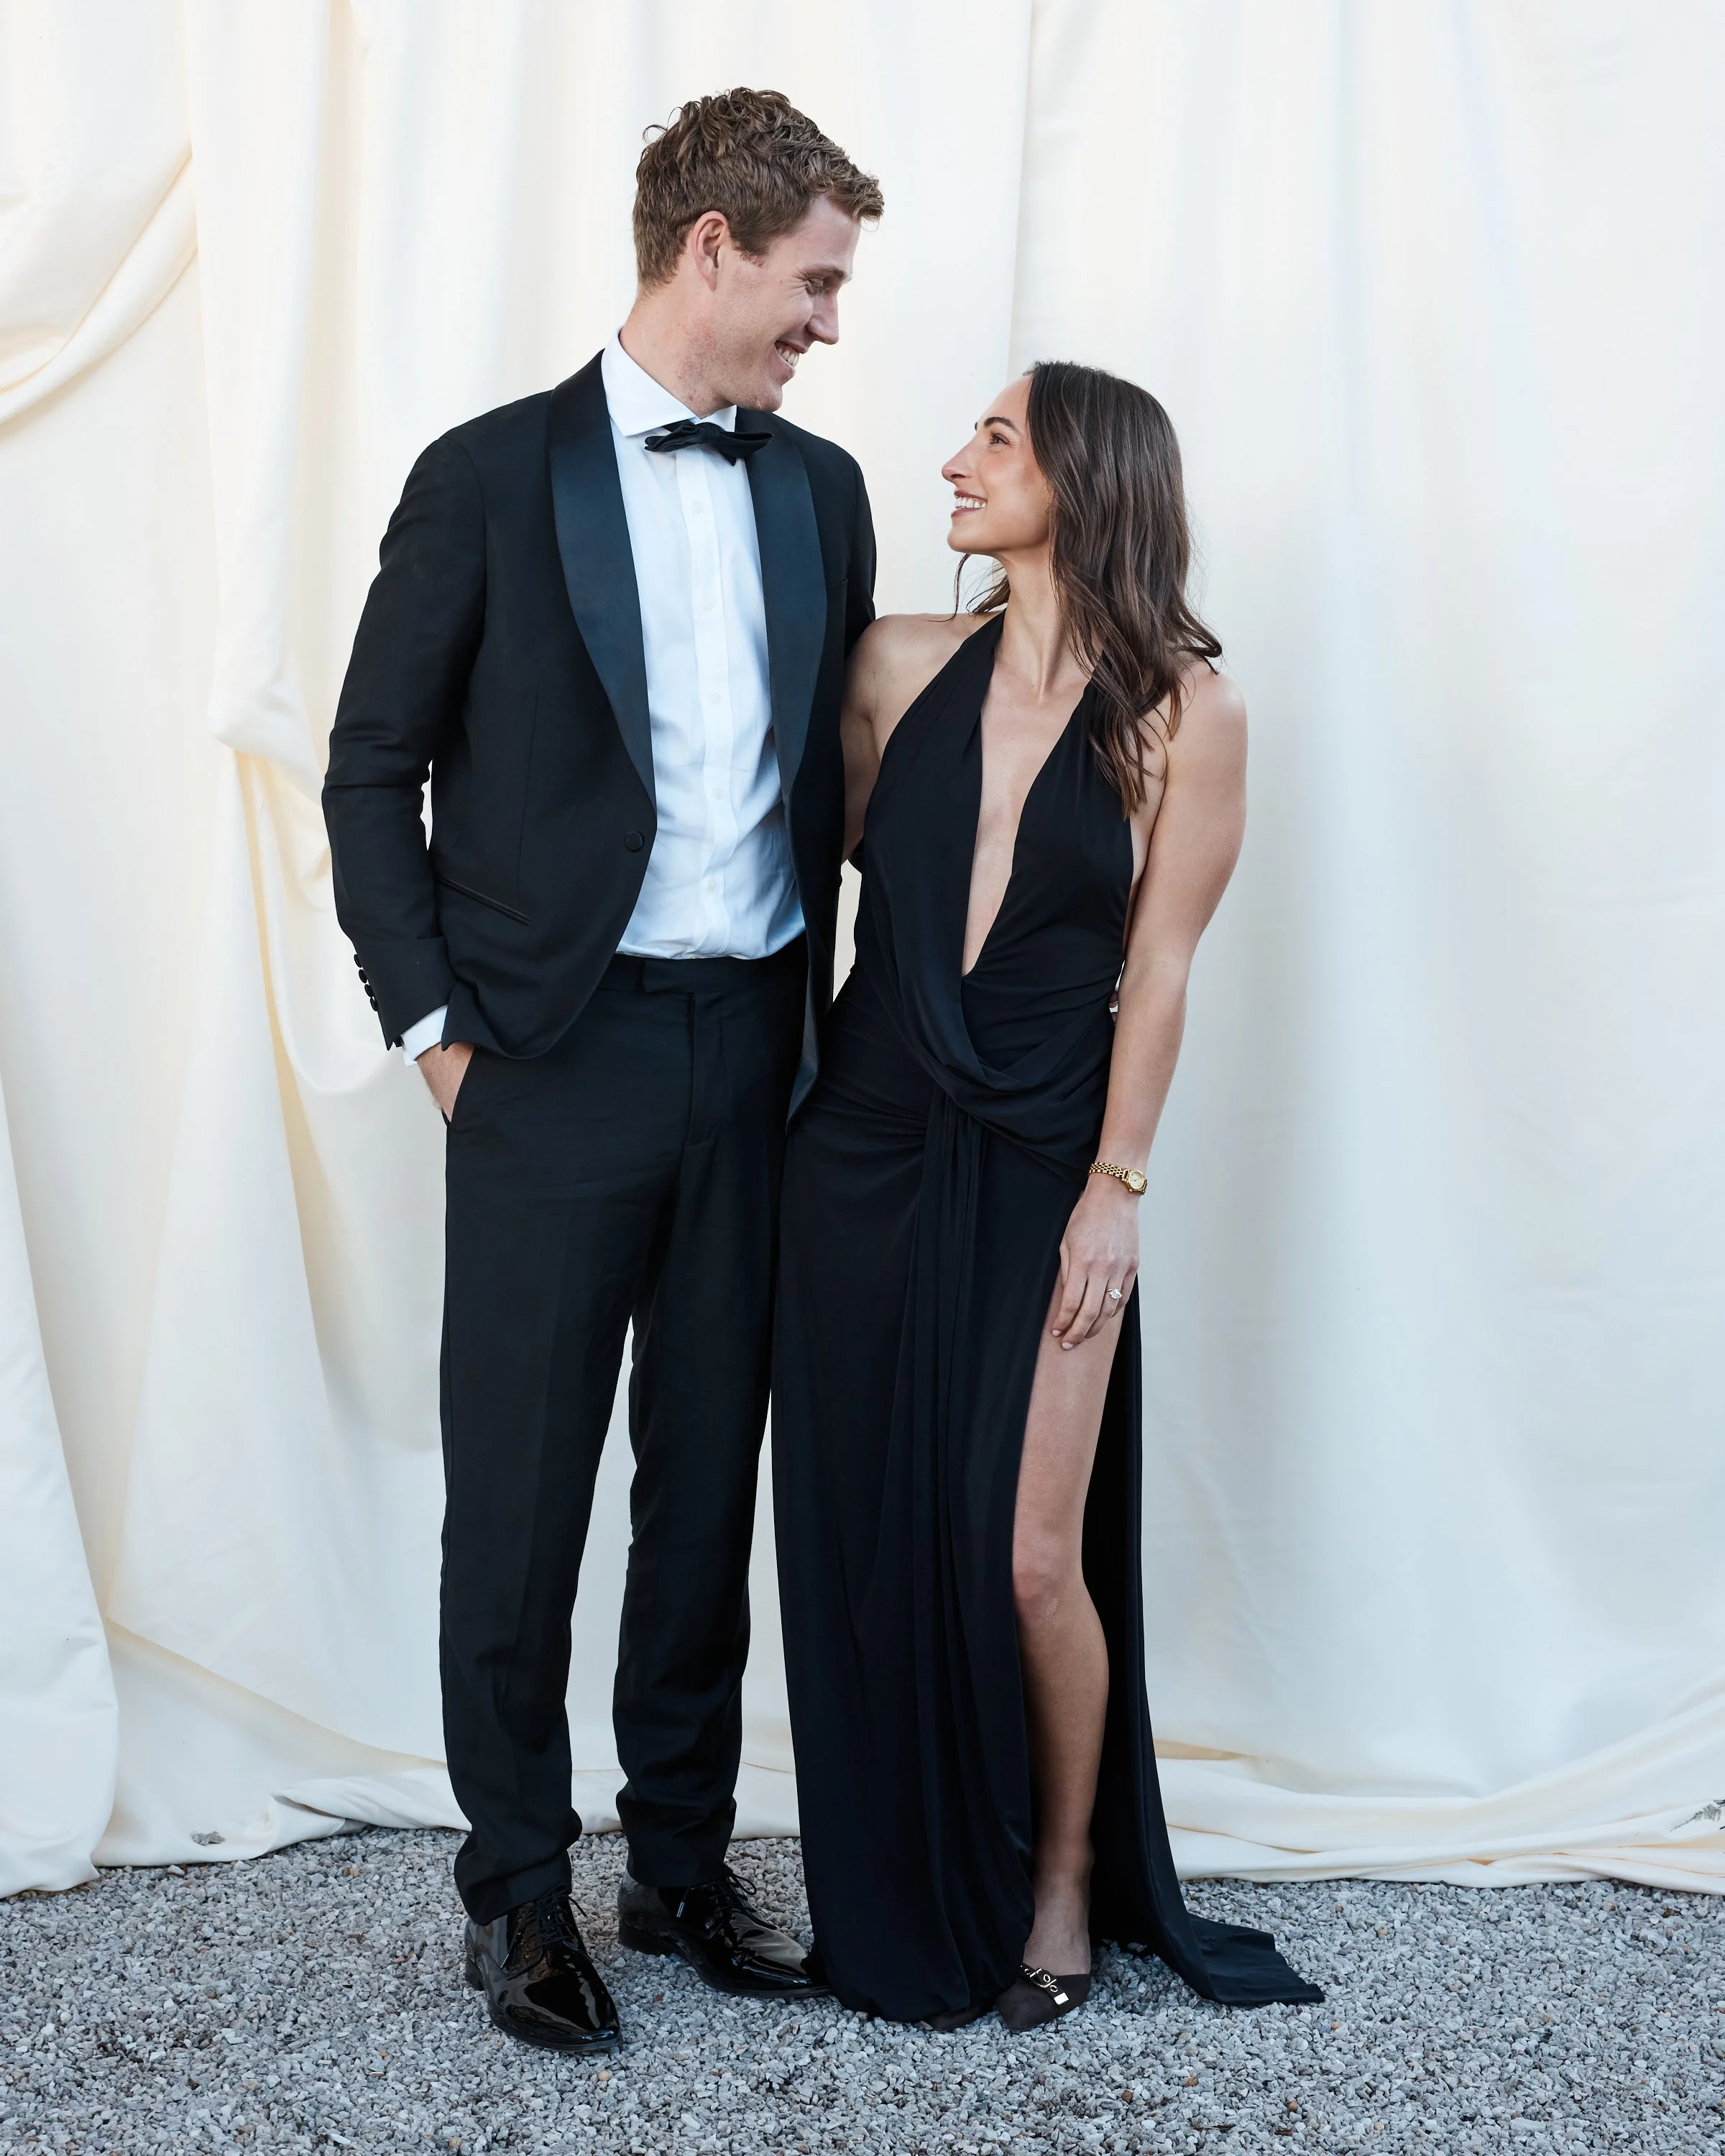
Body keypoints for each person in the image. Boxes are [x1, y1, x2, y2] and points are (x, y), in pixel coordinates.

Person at [322, 90, 882, 2053]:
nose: (829, 324)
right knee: (524, 1499)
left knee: (704, 1486)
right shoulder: (486, 477)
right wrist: (442, 1038)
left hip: (756, 1062)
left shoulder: (820, 492)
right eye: (814, 282)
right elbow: (364, 769)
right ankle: (512, 1895)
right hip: (549, 1066)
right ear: (713, 245)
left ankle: (678, 1862)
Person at [773, 361, 1323, 2028]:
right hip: (862, 1142)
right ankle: (892, 1873)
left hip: (1045, 1159)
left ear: (1083, 477)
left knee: (1027, 1552)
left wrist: (1118, 1189)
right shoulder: (891, 663)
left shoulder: (1186, 712)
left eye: (994, 440)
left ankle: (1066, 1875)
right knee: (867, 1530)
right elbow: (835, 875)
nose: (952, 462)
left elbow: (1157, 975)